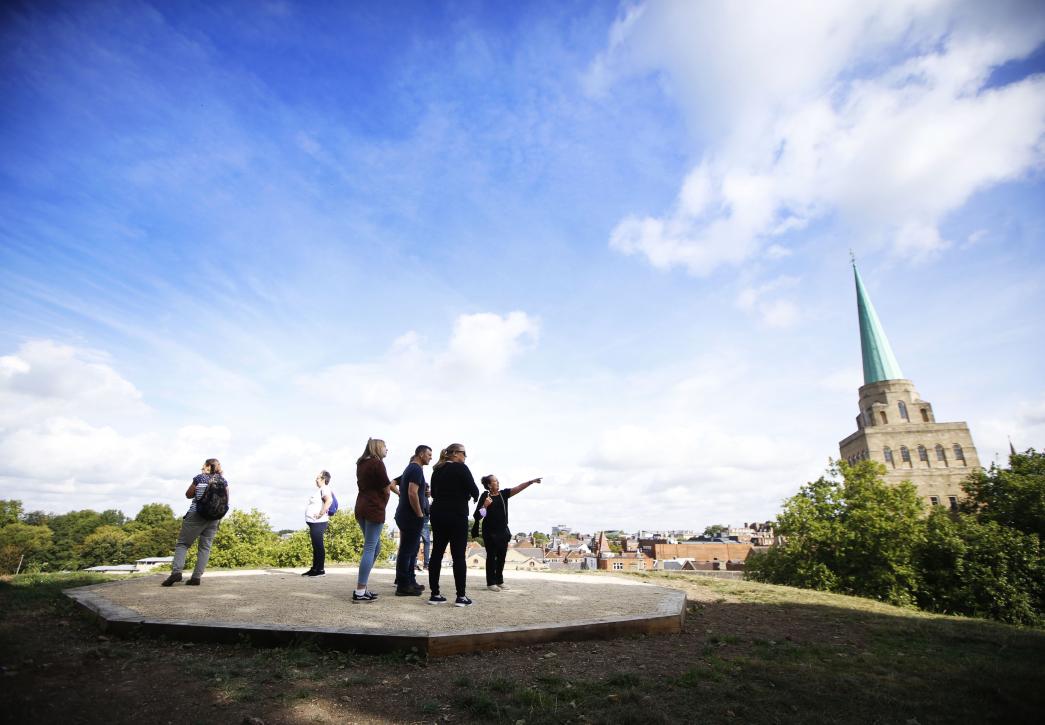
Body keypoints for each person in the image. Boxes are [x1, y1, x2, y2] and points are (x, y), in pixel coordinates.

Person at [428, 443, 480, 607]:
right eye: (464, 454)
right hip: (456, 514)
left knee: (437, 552)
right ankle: (461, 596)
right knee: (458, 555)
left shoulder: (437, 470)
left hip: (437, 513)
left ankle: (435, 594)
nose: (465, 457)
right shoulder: (461, 468)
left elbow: (434, 494)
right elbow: (475, 491)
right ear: (457, 453)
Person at [162, 458, 228, 587]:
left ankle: (176, 572)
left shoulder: (200, 478)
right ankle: (196, 577)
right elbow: (226, 501)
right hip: (214, 518)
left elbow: (188, 494)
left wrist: (202, 476)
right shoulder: (223, 481)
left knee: (183, 544)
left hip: (196, 514)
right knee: (205, 547)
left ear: (207, 466)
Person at [472, 474, 541, 591]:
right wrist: (485, 505)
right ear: (489, 485)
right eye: (495, 481)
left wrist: (531, 482)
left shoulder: (503, 494)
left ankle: (499, 581)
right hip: (490, 532)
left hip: (503, 531)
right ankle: (491, 583)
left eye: (498, 481)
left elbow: (518, 488)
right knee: (491, 557)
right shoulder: (485, 496)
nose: (498, 482)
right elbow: (478, 516)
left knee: (502, 557)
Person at [353, 438, 393, 602]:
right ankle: (360, 591)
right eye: (385, 447)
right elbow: (386, 487)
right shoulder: (377, 464)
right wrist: (384, 503)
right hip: (374, 507)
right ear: (377, 448)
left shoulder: (361, 463)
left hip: (361, 506)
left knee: (375, 547)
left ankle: (363, 587)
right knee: (370, 547)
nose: (387, 450)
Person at [392, 445, 433, 596]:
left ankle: (410, 581)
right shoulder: (415, 469)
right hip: (411, 516)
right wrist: (419, 513)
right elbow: (412, 492)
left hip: (407, 515)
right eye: (429, 454)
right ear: (421, 454)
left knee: (411, 550)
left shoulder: (412, 469)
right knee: (407, 551)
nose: (430, 457)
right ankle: (403, 586)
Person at [302, 470, 333, 577]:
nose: (316, 479)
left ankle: (320, 570)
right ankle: (314, 569)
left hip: (319, 522)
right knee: (316, 546)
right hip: (314, 522)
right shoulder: (321, 489)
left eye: (318, 478)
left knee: (318, 546)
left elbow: (329, 500)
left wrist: (320, 514)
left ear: (324, 479)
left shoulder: (325, 488)